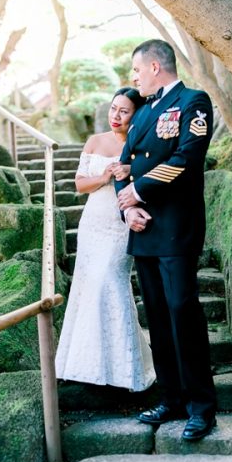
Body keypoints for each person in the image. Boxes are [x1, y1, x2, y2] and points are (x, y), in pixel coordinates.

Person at [115, 39, 216, 441]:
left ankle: (201, 407)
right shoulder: (142, 113)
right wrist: (127, 209)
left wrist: (138, 191)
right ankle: (171, 398)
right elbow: (124, 165)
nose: (134, 77)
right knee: (157, 316)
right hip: (144, 230)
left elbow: (186, 159)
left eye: (137, 70)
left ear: (155, 67)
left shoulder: (193, 101)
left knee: (182, 312)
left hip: (176, 227)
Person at [55, 87, 155, 392]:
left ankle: (123, 369)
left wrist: (131, 171)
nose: (116, 116)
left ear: (137, 115)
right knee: (88, 286)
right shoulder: (95, 141)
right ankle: (83, 364)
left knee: (109, 282)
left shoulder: (144, 144)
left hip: (121, 223)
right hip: (93, 222)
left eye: (124, 111)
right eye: (114, 109)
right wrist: (104, 177)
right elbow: (79, 184)